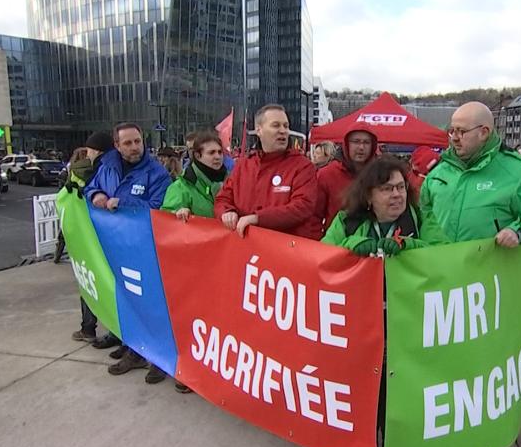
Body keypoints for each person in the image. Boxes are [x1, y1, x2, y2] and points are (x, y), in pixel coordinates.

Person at [322, 155, 447, 447]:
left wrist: (409, 248)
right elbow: (320, 257)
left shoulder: (421, 220)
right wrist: (350, 250)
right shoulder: (347, 222)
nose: (397, 195)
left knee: (398, 408)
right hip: (358, 330)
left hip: (406, 331)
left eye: (401, 187)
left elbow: (444, 256)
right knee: (363, 404)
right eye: (387, 188)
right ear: (369, 194)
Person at [420, 101, 521, 406]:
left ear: (484, 132)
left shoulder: (514, 170)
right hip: (444, 277)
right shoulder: (440, 170)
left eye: (461, 131)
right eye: (450, 130)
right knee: (448, 344)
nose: (453, 137)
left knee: (492, 345)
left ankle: (508, 391)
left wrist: (519, 231)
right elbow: (424, 212)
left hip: (491, 283)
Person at [85, 122, 172, 380]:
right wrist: (96, 195)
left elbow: (157, 206)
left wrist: (122, 202)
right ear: (116, 145)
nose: (135, 147)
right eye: (128, 143)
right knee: (125, 299)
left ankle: (160, 358)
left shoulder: (156, 173)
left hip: (145, 249)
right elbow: (90, 188)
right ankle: (134, 349)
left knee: (152, 303)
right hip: (116, 247)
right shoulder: (107, 166)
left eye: (138, 141)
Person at [161, 130, 229, 394]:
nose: (217, 157)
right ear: (197, 155)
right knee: (192, 320)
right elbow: (165, 222)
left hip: (223, 265)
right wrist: (177, 213)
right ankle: (187, 371)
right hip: (194, 269)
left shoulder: (230, 182)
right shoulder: (180, 187)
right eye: (211, 153)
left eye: (220, 152)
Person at [214, 104, 321, 240]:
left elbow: (302, 206)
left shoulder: (302, 166)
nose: (283, 131)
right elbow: (223, 199)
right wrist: (226, 212)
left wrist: (258, 219)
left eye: (286, 126)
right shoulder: (243, 165)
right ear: (259, 130)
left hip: (287, 252)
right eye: (276, 125)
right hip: (246, 248)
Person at [67, 133, 114, 345]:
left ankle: (88, 327)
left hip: (89, 236)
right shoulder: (107, 170)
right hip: (105, 235)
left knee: (89, 281)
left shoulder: (86, 171)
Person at [314, 123, 380, 231]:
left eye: (366, 142)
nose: (361, 147)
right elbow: (314, 216)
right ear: (346, 144)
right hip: (336, 241)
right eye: (356, 141)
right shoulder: (327, 174)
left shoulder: (380, 174)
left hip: (372, 241)